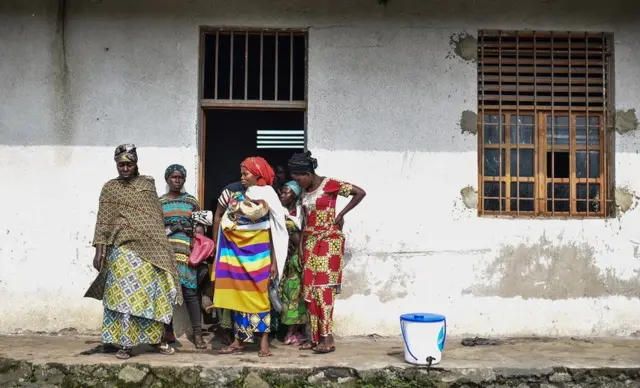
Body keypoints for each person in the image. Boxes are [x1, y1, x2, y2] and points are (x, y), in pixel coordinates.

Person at [84, 144, 181, 360]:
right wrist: (99, 250)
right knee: (125, 298)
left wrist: (161, 248)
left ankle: (155, 339)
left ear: (136, 164)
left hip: (149, 251)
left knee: (151, 295)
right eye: (121, 165)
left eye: (129, 164)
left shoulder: (147, 185)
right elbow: (104, 221)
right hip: (122, 249)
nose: (125, 168)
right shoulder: (110, 188)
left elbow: (155, 217)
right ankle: (125, 344)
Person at [288, 151, 366, 354]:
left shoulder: (329, 184)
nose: (298, 182)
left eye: (299, 178)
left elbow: (360, 192)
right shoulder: (304, 193)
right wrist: (302, 249)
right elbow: (304, 222)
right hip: (310, 243)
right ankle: (315, 338)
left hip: (329, 242)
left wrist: (341, 214)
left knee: (324, 289)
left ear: (308, 173)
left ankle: (327, 339)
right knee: (310, 292)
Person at [214, 157, 288, 357]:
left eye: (245, 174)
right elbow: (224, 218)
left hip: (260, 255)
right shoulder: (236, 194)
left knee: (260, 297)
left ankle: (264, 342)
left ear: (258, 175)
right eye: (241, 174)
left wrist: (274, 261)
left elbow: (276, 230)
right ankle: (238, 342)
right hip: (236, 254)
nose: (242, 177)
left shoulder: (269, 196)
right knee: (238, 297)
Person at [160, 164, 207, 349]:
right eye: (173, 177)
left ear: (184, 180)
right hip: (166, 254)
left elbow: (201, 228)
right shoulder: (160, 202)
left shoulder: (192, 202)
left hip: (187, 254)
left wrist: (194, 233)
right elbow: (156, 230)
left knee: (190, 294)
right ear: (167, 179)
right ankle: (168, 332)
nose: (177, 180)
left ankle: (197, 334)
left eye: (180, 178)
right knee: (167, 294)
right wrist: (173, 228)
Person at [206, 180, 246, 345]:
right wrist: (215, 244)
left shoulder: (264, 192)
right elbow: (218, 216)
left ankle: (243, 332)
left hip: (251, 252)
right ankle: (226, 329)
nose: (244, 177)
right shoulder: (230, 191)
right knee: (226, 287)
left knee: (244, 290)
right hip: (228, 248)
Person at [278, 181, 307, 345]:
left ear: (294, 195)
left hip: (296, 259)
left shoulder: (297, 214)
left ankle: (292, 333)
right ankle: (290, 333)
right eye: (282, 192)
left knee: (295, 297)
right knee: (290, 296)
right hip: (288, 260)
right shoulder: (284, 212)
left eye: (286, 192)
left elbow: (297, 240)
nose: (282, 195)